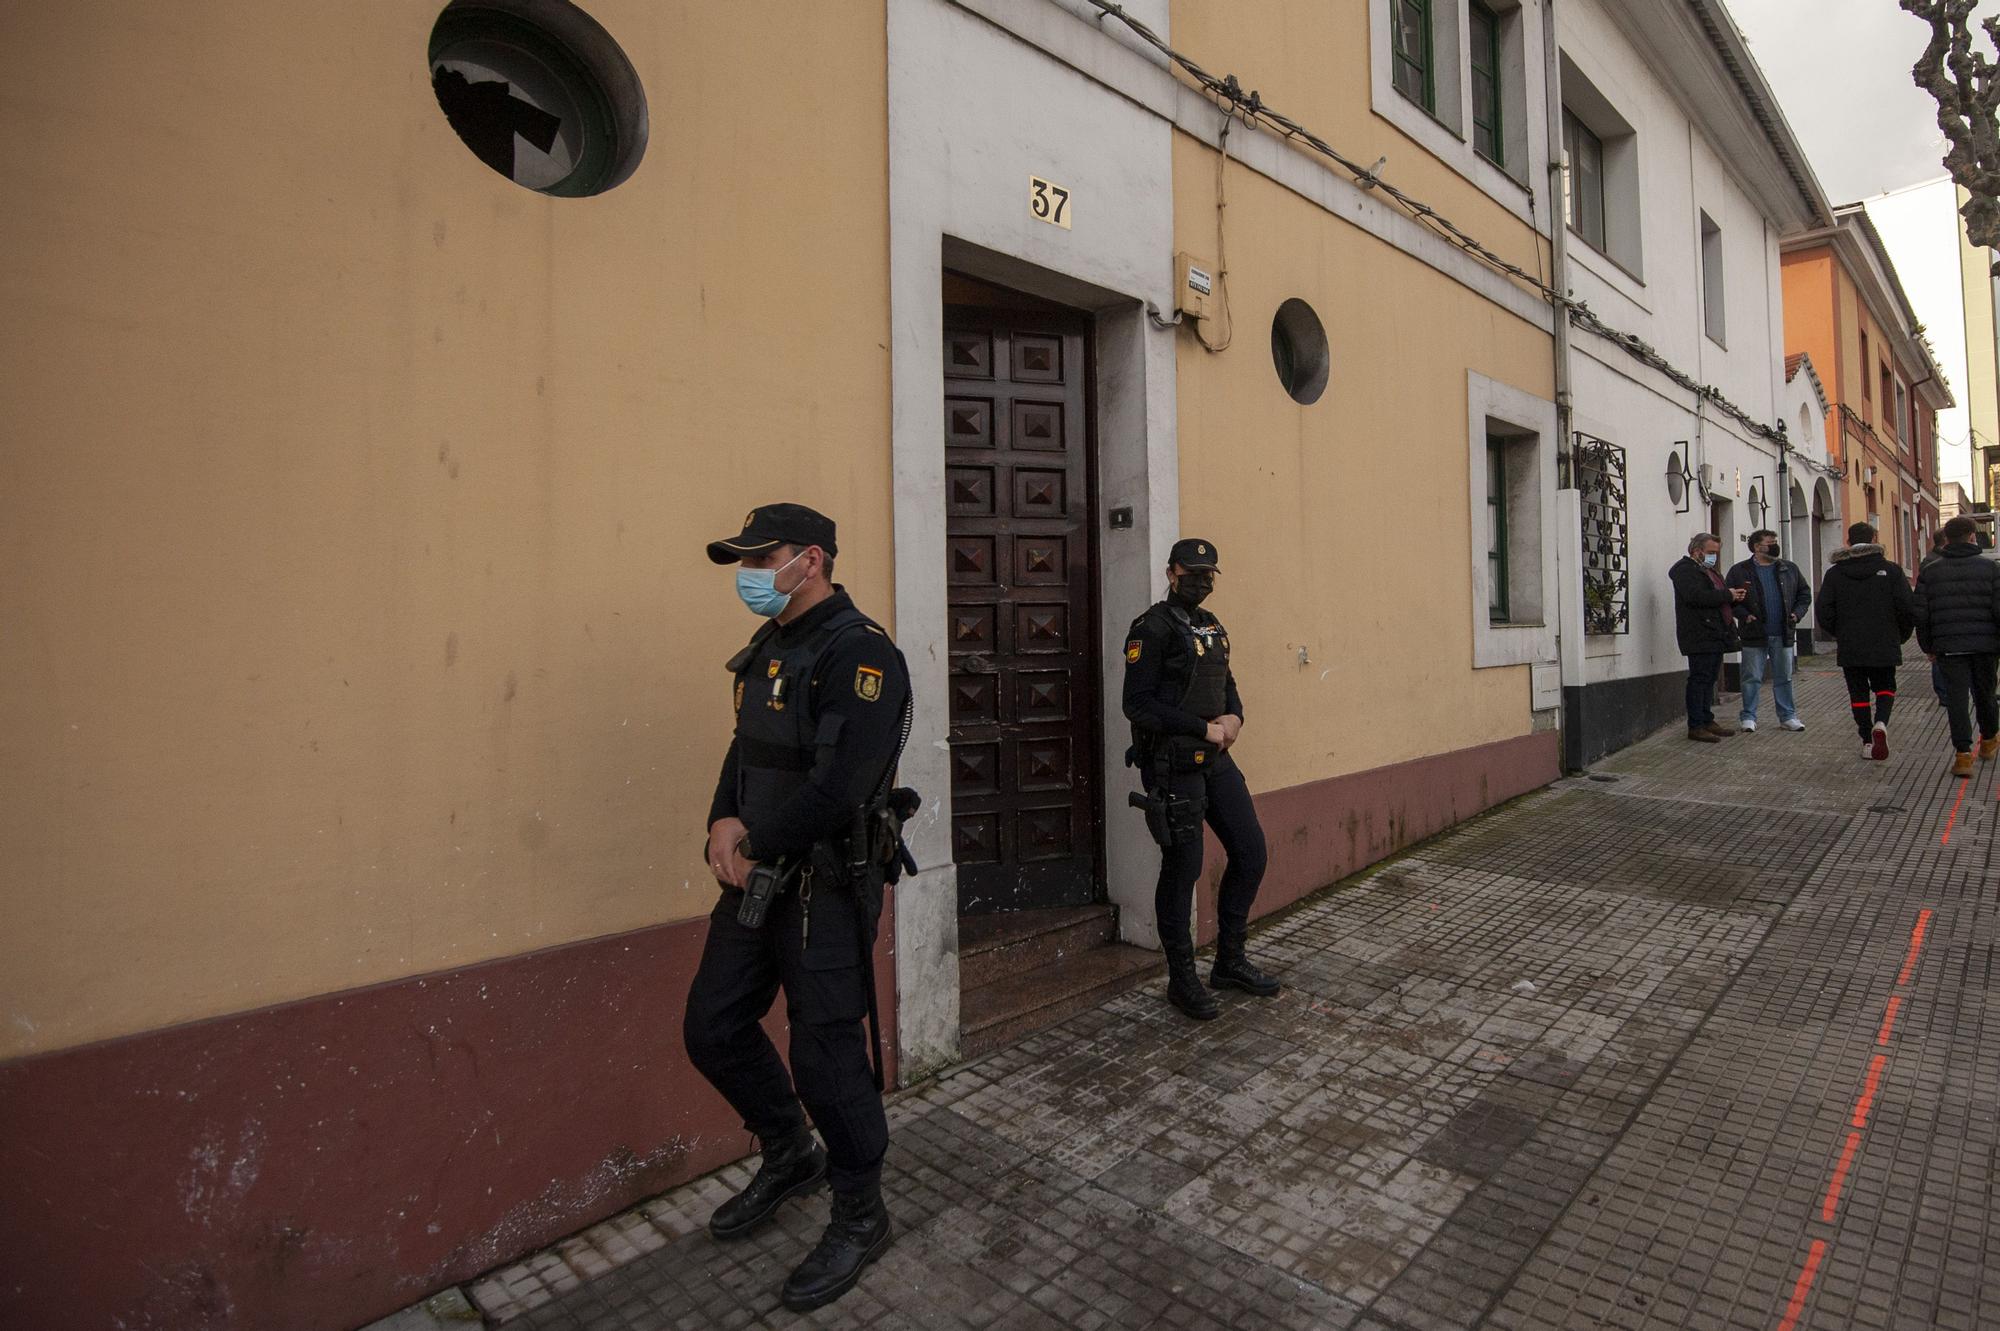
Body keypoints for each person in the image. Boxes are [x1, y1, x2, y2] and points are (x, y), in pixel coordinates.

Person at [685, 503, 914, 1312]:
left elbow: (839, 786)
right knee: (712, 1025)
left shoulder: (862, 654)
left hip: (822, 885)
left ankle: (861, 1210)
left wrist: (752, 845)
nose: (750, 574)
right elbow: (743, 746)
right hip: (757, 882)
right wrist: (722, 817)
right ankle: (790, 1149)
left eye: (762, 557)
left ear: (809, 559)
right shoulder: (773, 644)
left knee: (826, 1058)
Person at [1122, 538, 1277, 1021]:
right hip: (1173, 765)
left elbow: (1227, 685)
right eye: (1193, 572)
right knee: (1183, 869)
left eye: (1210, 574)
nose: (1202, 581)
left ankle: (1229, 962)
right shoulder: (1151, 629)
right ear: (1172, 572)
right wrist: (1201, 728)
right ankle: (1181, 980)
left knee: (1250, 852)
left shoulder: (1210, 627)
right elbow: (1138, 705)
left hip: (1216, 759)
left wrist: (1234, 719)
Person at [1815, 521, 1915, 761]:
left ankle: (1867, 740)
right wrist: (1900, 634)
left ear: (1848, 542)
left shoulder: (1835, 573)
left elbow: (1824, 610)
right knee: (1885, 686)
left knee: (1857, 693)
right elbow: (1906, 607)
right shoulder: (1891, 570)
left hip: (1851, 644)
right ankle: (1880, 723)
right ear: (1873, 539)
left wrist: (1839, 633)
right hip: (1884, 640)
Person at [1913, 515, 2000, 778]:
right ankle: (1988, 741)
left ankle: (1963, 756)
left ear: (1946, 539)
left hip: (1949, 645)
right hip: (1986, 645)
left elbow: (1921, 614)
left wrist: (1929, 646)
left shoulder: (1930, 571)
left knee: (1957, 700)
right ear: (1973, 536)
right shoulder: (1991, 569)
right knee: (1986, 693)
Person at [1723, 529, 1811, 732]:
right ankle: (1748, 717)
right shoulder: (1740, 571)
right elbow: (1731, 599)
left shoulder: (1789, 569)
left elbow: (1804, 594)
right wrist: (1744, 615)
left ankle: (1788, 716)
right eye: (1770, 542)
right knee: (1751, 677)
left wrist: (1797, 614)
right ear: (1756, 546)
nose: (1774, 545)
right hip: (1754, 633)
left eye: (1775, 541)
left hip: (1783, 633)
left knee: (1784, 677)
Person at [1668, 533, 1743, 742]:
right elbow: (1696, 597)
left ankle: (1707, 719)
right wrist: (1727, 595)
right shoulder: (1684, 570)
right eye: (1711, 552)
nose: (1713, 557)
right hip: (1699, 633)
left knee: (1709, 678)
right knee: (1699, 679)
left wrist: (1733, 597)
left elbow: (1715, 598)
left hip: (1715, 632)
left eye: (1716, 553)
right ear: (1696, 550)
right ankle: (1696, 725)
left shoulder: (1708, 571)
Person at [1920, 530, 1950, 708]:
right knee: (1939, 660)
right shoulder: (1933, 563)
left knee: (1939, 660)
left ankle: (1944, 695)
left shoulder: (1928, 561)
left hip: (1937, 621)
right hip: (1939, 620)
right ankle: (1944, 695)